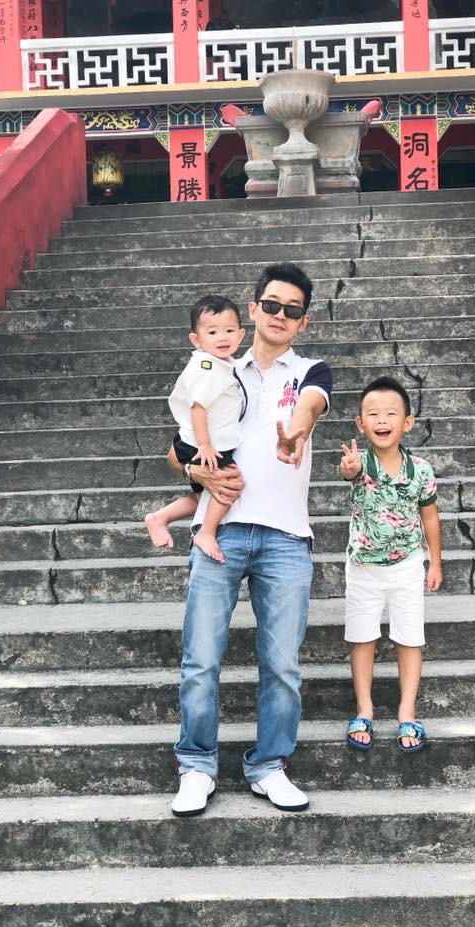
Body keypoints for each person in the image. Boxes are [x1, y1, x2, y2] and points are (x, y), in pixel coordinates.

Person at [168, 262, 333, 817]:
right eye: (272, 305)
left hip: (286, 535)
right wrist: (196, 470)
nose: (280, 315)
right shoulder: (217, 363)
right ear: (254, 308)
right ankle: (196, 765)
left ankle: (269, 766)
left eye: (293, 310)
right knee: (201, 658)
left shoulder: (310, 370)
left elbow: (310, 405)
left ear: (303, 321)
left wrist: (296, 434)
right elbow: (176, 448)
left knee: (282, 664)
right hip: (221, 530)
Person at [338, 376, 442, 754]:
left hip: (407, 567)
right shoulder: (359, 463)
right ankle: (364, 709)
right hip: (363, 568)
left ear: (407, 423)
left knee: (409, 638)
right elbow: (348, 473)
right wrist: (349, 468)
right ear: (360, 423)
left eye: (391, 414)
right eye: (373, 414)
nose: (382, 420)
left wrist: (435, 562)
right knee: (362, 637)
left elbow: (430, 517)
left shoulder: (421, 470)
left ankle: (406, 712)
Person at [144, 294, 246, 563]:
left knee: (204, 497)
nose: (222, 337)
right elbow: (197, 408)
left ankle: (160, 517)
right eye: (212, 332)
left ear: (241, 334)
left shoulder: (222, 363)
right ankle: (206, 532)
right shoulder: (207, 368)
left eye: (229, 331)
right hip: (203, 445)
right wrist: (205, 446)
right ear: (196, 339)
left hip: (196, 442)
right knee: (230, 486)